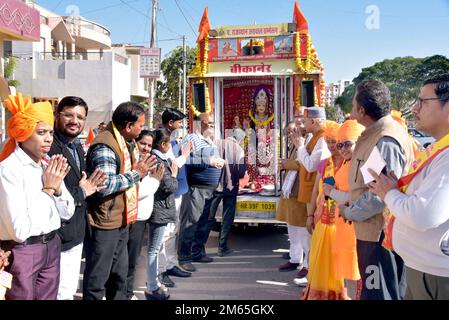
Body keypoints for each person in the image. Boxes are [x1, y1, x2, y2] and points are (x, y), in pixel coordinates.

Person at [368, 74, 449, 300]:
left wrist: (389, 192)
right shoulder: (437, 150)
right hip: (423, 269)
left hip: (435, 276)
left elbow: (422, 214)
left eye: (423, 102)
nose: (414, 108)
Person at [340, 79, 414, 300]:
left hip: (379, 235)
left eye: (353, 105)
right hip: (372, 232)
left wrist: (350, 211)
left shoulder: (386, 140)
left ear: (362, 110)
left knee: (379, 293)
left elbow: (378, 197)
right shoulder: (376, 134)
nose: (351, 111)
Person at [0, 93, 75, 300]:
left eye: (50, 132)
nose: (49, 138)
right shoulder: (9, 170)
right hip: (24, 251)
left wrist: (58, 189)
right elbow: (20, 230)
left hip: (51, 244)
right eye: (41, 132)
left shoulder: (46, 163)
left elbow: (67, 211)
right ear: (23, 134)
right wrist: (48, 190)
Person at [83, 102, 157, 300]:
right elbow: (104, 185)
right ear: (128, 125)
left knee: (119, 277)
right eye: (140, 125)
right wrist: (136, 173)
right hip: (105, 222)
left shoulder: (126, 141)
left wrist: (138, 172)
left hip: (122, 219)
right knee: (98, 280)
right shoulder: (105, 144)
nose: (143, 129)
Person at [49, 96, 107, 300]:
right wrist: (83, 190)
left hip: (76, 232)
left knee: (68, 290)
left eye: (80, 117)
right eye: (69, 115)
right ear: (56, 115)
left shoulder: (76, 146)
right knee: (59, 292)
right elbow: (51, 194)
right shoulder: (50, 147)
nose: (75, 121)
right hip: (58, 235)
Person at [301, 120, 344, 297]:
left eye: (335, 142)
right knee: (318, 260)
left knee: (336, 263)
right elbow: (314, 191)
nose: (332, 146)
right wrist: (310, 215)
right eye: (329, 142)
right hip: (321, 220)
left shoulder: (348, 163)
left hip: (341, 223)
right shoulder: (324, 163)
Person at [177, 113, 225, 272]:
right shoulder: (191, 139)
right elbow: (185, 160)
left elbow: (213, 160)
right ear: (199, 124)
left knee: (205, 223)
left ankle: (198, 252)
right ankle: (184, 257)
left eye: (213, 123)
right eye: (209, 123)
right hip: (197, 188)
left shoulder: (210, 140)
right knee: (191, 223)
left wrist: (220, 161)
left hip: (210, 189)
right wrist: (209, 161)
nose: (212, 126)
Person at [287, 106, 330, 278]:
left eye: (305, 121)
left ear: (313, 121)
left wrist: (300, 146)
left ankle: (311, 269)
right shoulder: (314, 137)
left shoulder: (323, 138)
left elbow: (311, 165)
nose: (303, 124)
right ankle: (306, 265)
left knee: (310, 231)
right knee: (305, 230)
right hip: (308, 189)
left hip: (315, 190)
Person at [193, 128, 247, 258]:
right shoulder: (239, 150)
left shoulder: (216, 143)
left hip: (214, 186)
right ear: (240, 139)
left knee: (209, 218)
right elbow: (240, 172)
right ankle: (222, 248)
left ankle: (199, 249)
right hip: (230, 187)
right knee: (227, 218)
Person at [126, 130, 163, 300]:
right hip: (131, 218)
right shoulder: (131, 161)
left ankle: (127, 292)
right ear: (135, 142)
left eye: (149, 145)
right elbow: (133, 192)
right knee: (127, 261)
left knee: (132, 261)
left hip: (141, 219)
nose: (146, 148)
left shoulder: (148, 161)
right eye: (143, 144)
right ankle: (126, 294)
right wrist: (154, 181)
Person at [157, 109, 193, 289]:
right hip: (169, 192)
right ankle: (160, 270)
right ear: (170, 123)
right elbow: (171, 166)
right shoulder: (163, 140)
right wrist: (184, 155)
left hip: (178, 190)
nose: (182, 125)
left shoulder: (173, 140)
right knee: (164, 234)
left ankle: (170, 264)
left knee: (173, 231)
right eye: (179, 122)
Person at [145, 129, 179, 300]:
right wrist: (174, 175)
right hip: (159, 209)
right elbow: (170, 186)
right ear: (163, 144)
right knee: (154, 249)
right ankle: (152, 287)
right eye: (170, 142)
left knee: (155, 248)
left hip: (161, 208)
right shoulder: (158, 160)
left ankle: (153, 283)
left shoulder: (161, 158)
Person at [276, 121, 308, 270]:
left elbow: (304, 165)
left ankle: (307, 266)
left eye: (293, 131)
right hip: (290, 191)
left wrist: (286, 163)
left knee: (302, 231)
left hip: (300, 192)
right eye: (288, 132)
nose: (290, 134)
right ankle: (295, 259)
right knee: (292, 229)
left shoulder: (307, 144)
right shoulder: (295, 145)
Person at [246, 86, 275, 185]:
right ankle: (253, 179)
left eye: (263, 105)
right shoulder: (252, 117)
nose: (261, 107)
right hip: (254, 143)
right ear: (255, 106)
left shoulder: (270, 117)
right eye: (259, 105)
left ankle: (266, 179)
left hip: (266, 143)